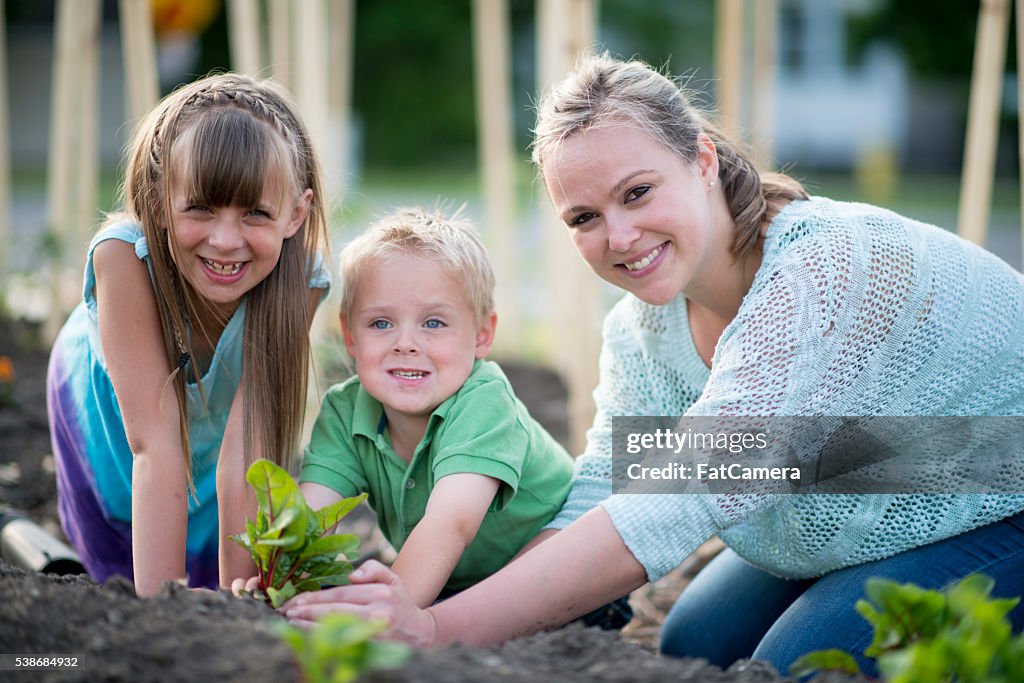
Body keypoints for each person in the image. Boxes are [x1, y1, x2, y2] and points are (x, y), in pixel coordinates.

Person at [276, 53, 1024, 676]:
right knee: (694, 641)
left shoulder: (820, 272)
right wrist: (475, 608)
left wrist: (435, 630)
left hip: (1003, 488)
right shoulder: (642, 329)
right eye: (585, 218)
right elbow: (608, 486)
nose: (622, 236)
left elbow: (680, 497)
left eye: (637, 193)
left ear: (701, 158)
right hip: (879, 484)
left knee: (796, 666)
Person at [46, 73, 332, 596]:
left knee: (216, 570)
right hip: (113, 418)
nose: (225, 241)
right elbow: (152, 445)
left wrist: (238, 606)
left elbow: (249, 452)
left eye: (255, 213)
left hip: (211, 419)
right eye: (200, 207)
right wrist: (165, 613)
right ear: (159, 201)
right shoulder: (123, 257)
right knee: (127, 575)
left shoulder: (300, 281)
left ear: (295, 215)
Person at [284, 207, 580, 609]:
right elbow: (314, 514)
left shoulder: (483, 400)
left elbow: (451, 523)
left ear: (481, 335)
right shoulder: (345, 409)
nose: (406, 343)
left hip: (559, 580)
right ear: (350, 337)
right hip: (453, 584)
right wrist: (284, 580)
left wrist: (390, 609)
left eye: (434, 323)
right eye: (381, 324)